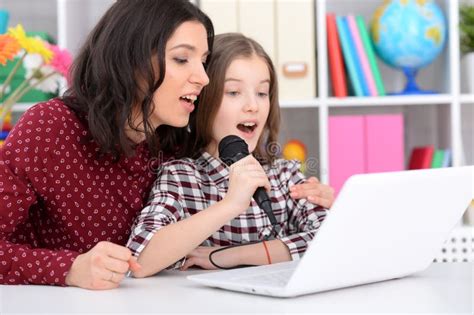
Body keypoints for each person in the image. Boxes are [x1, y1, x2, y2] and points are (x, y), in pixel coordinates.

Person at [0, 0, 213, 289]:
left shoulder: (174, 146)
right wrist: (69, 269)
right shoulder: (51, 127)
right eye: (181, 59)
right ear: (130, 59)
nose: (203, 77)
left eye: (204, 61)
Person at [127, 33, 334, 278]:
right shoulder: (182, 177)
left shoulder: (284, 176)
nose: (252, 106)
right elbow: (140, 257)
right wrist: (231, 204)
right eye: (234, 92)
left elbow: (332, 242)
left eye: (262, 93)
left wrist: (227, 256)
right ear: (201, 100)